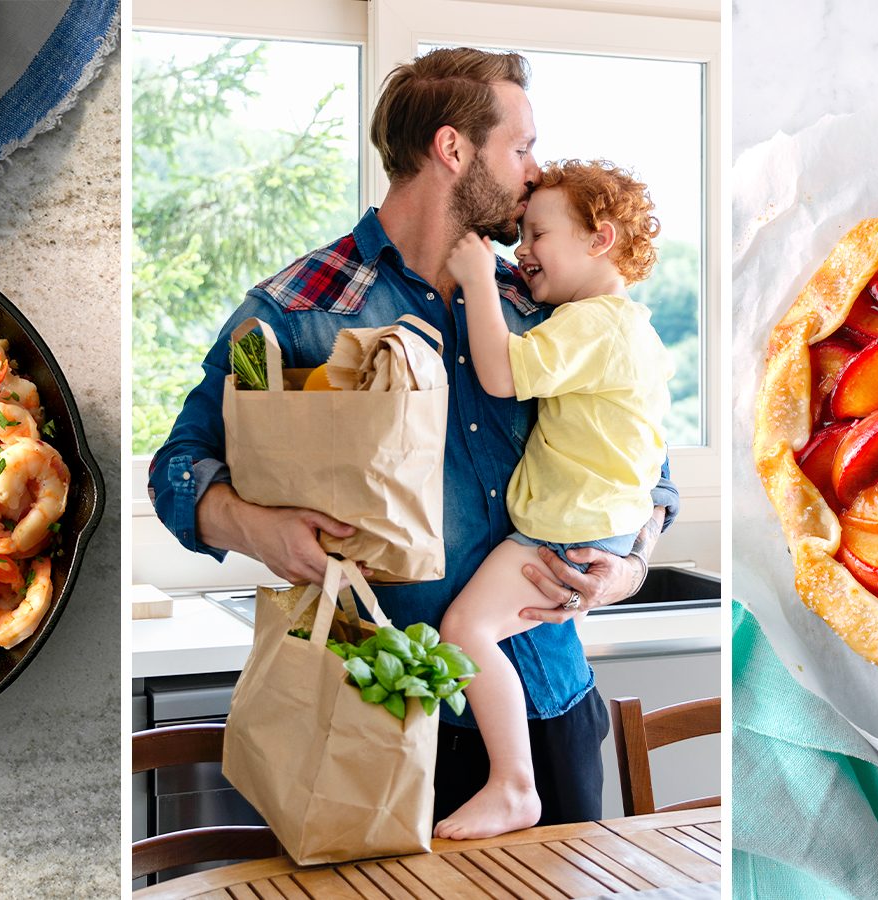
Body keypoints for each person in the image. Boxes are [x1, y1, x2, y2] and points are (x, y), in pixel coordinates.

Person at [147, 48, 678, 829]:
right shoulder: (299, 309)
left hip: (551, 702)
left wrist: (627, 569)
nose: (534, 173)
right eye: (521, 148)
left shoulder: (541, 306)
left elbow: (647, 470)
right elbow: (177, 469)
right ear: (453, 150)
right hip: (384, 718)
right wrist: (259, 529)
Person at [435, 160, 672, 838]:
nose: (521, 250)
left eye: (538, 234)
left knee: (466, 631)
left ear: (599, 240)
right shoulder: (627, 328)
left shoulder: (596, 324)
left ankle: (513, 785)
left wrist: (479, 281)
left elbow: (503, 374)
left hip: (565, 530)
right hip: (597, 526)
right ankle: (512, 783)